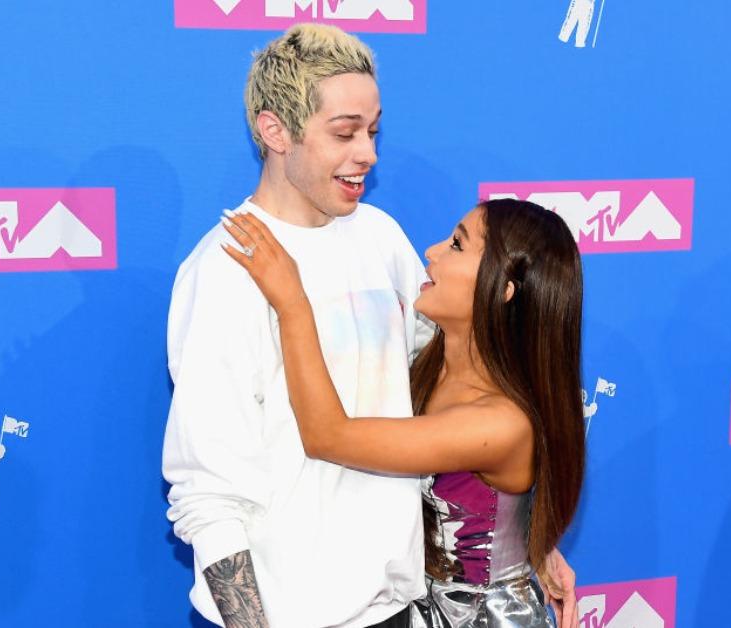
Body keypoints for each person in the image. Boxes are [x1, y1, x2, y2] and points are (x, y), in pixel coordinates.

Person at [162, 24, 578, 628]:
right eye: (344, 132)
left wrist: (518, 541)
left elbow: (452, 379)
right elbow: (207, 492)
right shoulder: (226, 271)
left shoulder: (379, 236)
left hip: (399, 609)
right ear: (275, 130)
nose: (369, 154)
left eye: (373, 130)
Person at [220, 197, 586, 627]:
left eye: (456, 245)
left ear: (504, 289)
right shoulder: (427, 365)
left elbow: (327, 436)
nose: (430, 252)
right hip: (418, 610)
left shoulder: (499, 423)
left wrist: (292, 304)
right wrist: (531, 539)